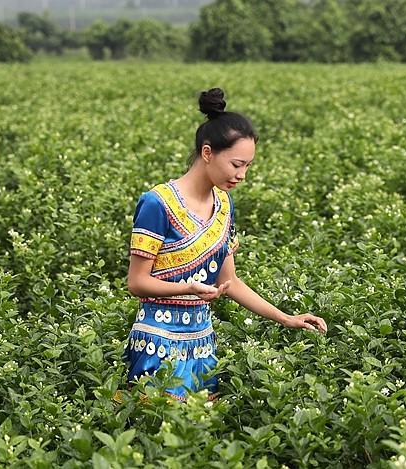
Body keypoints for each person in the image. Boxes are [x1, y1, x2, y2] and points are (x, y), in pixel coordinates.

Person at [122, 88, 328, 402]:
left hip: (202, 343)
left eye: (247, 166)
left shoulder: (223, 204)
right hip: (157, 341)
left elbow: (229, 283)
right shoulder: (157, 203)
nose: (242, 175)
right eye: (236, 164)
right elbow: (137, 283)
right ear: (208, 153)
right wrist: (188, 289)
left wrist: (287, 318)